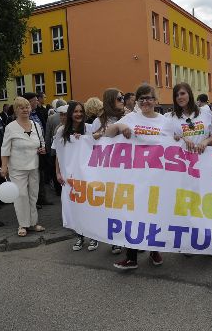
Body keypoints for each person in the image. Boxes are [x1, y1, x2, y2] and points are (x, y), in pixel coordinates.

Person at [105, 84, 177, 270]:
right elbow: (108, 133)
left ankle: (154, 250)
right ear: (137, 101)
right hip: (134, 179)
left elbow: (175, 145)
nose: (145, 101)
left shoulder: (165, 122)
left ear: (156, 100)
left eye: (149, 98)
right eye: (141, 98)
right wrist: (120, 126)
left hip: (157, 179)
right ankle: (131, 257)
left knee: (154, 215)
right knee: (133, 216)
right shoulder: (130, 118)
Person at [52, 101, 96, 251]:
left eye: (81, 111)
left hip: (87, 176)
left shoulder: (89, 129)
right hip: (69, 177)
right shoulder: (61, 131)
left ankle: (93, 237)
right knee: (74, 206)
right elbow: (58, 154)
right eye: (75, 111)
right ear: (70, 113)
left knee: (89, 206)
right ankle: (79, 236)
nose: (78, 114)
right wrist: (58, 172)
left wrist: (84, 139)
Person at [89, 88, 127, 255]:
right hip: (107, 168)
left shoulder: (129, 116)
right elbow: (90, 141)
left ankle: (121, 238)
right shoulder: (100, 120)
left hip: (126, 167)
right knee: (109, 205)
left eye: (123, 97)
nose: (122, 100)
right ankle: (111, 238)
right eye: (119, 98)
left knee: (123, 205)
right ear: (111, 100)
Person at [1, 96, 46, 237]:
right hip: (17, 167)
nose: (25, 109)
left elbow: (42, 142)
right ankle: (23, 224)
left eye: (27, 106)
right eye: (21, 107)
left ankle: (33, 223)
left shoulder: (36, 125)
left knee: (33, 194)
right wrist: (4, 166)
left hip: (34, 166)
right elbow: (5, 149)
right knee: (21, 196)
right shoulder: (10, 127)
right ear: (16, 110)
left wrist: (42, 148)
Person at [23, 92, 51, 207]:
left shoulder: (39, 112)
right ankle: (33, 201)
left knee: (41, 173)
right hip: (29, 152)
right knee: (32, 177)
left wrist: (43, 145)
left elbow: (42, 129)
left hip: (41, 147)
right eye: (34, 100)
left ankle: (42, 198)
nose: (37, 102)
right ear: (28, 102)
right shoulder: (24, 116)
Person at [171, 83, 212, 153]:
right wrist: (182, 138)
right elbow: (168, 139)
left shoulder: (206, 113)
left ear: (189, 94)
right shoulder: (170, 118)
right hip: (184, 160)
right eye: (176, 95)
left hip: (205, 158)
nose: (179, 97)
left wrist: (205, 142)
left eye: (182, 93)